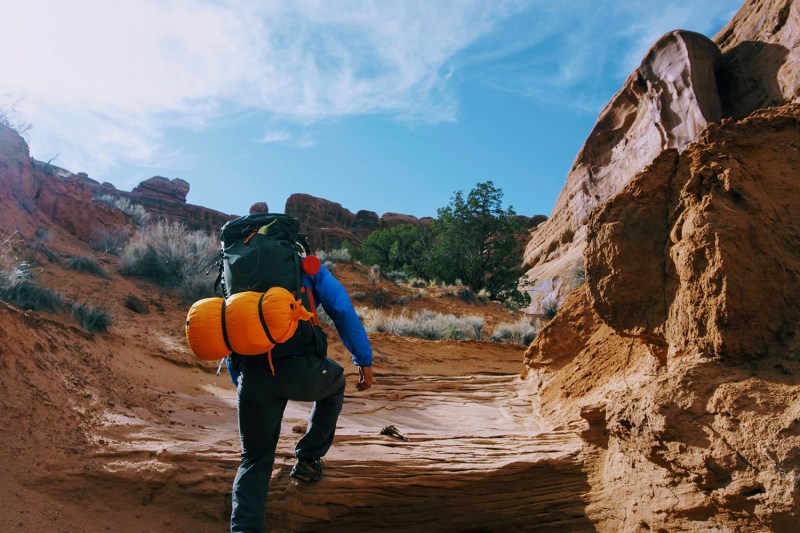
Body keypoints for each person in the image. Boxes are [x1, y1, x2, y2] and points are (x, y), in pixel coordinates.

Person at [228, 231, 374, 533]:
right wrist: (364, 360)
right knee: (335, 383)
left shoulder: (237, 272)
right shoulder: (305, 266)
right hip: (302, 369)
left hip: (254, 375)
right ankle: (308, 460)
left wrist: (240, 382)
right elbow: (342, 311)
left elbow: (227, 327)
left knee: (254, 459)